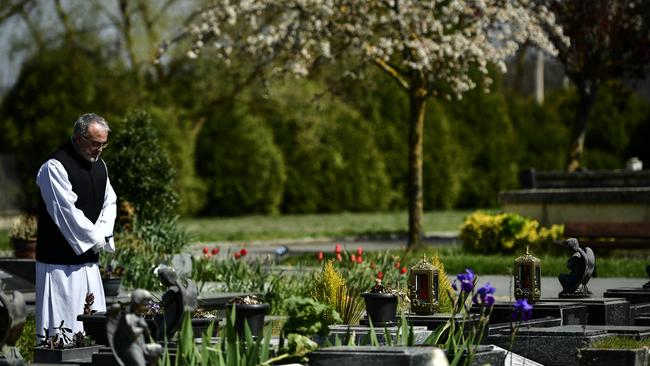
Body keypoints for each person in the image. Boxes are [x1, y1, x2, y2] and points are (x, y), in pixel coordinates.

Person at [35, 113, 117, 341]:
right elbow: (66, 213)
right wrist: (95, 239)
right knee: (62, 330)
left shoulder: (101, 166)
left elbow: (109, 203)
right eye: (95, 144)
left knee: (93, 329)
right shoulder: (54, 167)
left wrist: (102, 235)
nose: (100, 149)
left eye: (103, 144)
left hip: (89, 264)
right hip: (59, 266)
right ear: (79, 138)